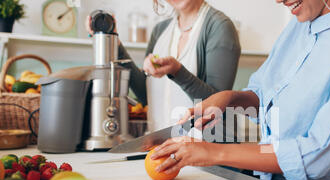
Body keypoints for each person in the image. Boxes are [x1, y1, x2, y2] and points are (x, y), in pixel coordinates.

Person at [151, 0, 330, 180]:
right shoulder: (298, 25)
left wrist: (212, 152)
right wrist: (230, 98)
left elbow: (314, 155)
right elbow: (265, 96)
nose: (279, 0)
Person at [86, 0, 241, 131]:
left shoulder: (220, 27)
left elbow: (216, 104)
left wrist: (177, 72)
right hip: (162, 146)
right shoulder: (160, 31)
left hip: (206, 152)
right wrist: (114, 42)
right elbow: (146, 95)